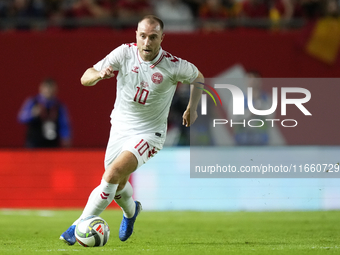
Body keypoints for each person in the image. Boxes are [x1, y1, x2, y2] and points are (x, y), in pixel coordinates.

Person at [60, 15, 204, 245]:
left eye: (153, 37)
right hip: (119, 127)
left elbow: (198, 78)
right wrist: (99, 75)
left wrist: (192, 108)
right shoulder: (123, 53)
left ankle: (78, 225)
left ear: (162, 38)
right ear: (136, 35)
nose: (147, 42)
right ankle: (131, 211)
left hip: (150, 133)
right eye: (143, 36)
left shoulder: (173, 65)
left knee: (111, 175)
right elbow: (84, 78)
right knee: (116, 187)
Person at [18, 78, 72, 148]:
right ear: (41, 88)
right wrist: (32, 114)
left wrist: (66, 137)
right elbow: (21, 118)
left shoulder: (59, 105)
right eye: (46, 88)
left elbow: (64, 125)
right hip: (34, 144)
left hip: (52, 144)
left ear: (55, 90)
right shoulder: (33, 102)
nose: (48, 91)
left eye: (51, 88)